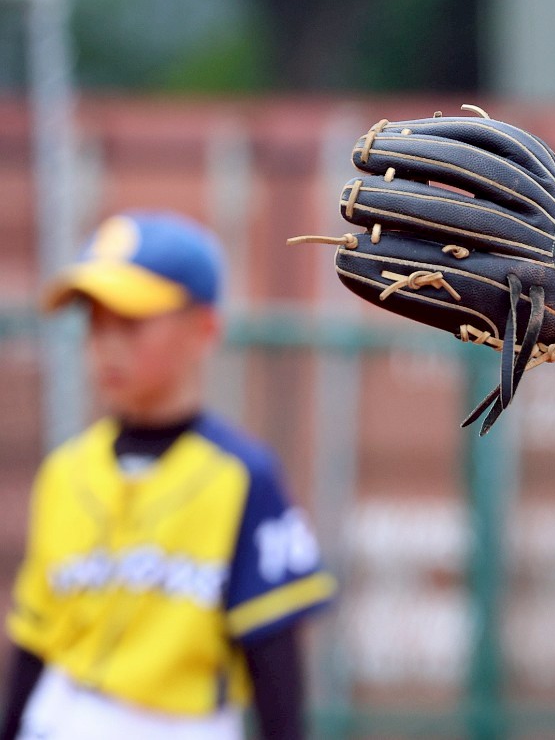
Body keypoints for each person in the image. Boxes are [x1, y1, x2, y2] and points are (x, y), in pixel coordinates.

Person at [1, 212, 337, 740]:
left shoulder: (244, 476)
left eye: (130, 322)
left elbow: (275, 666)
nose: (106, 343)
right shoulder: (65, 472)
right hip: (58, 721)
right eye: (95, 320)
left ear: (204, 328)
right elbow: (33, 644)